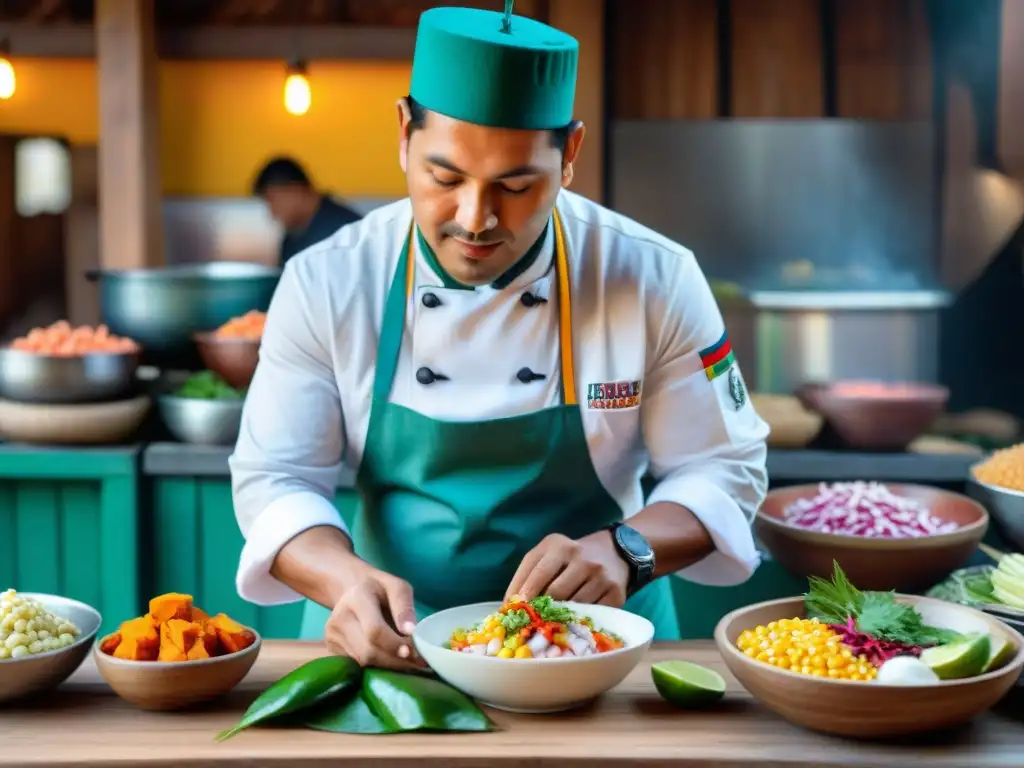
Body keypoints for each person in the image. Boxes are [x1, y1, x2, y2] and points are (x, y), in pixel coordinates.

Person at [230, 5, 770, 670]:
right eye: (444, 178)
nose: (475, 218)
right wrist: (339, 579)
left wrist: (627, 550)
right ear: (404, 133)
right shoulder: (328, 281)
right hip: (385, 642)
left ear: (569, 154)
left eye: (515, 186)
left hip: (593, 643)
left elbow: (725, 468)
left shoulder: (654, 276)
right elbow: (277, 477)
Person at [251, 156, 362, 266]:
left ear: (295, 190)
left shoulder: (345, 229)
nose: (273, 213)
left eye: (273, 201)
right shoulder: (293, 237)